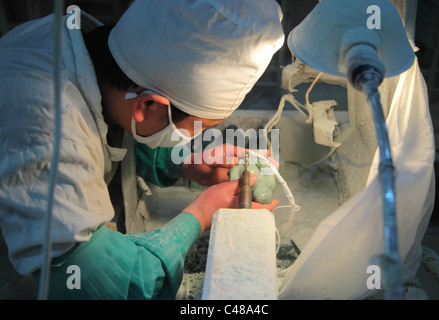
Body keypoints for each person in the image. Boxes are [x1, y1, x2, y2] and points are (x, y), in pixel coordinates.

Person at [0, 0, 284, 299]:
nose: (196, 136)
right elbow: (92, 282)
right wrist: (202, 212)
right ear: (147, 105)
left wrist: (183, 162)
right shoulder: (47, 132)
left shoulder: (95, 53)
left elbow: (112, 120)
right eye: (194, 127)